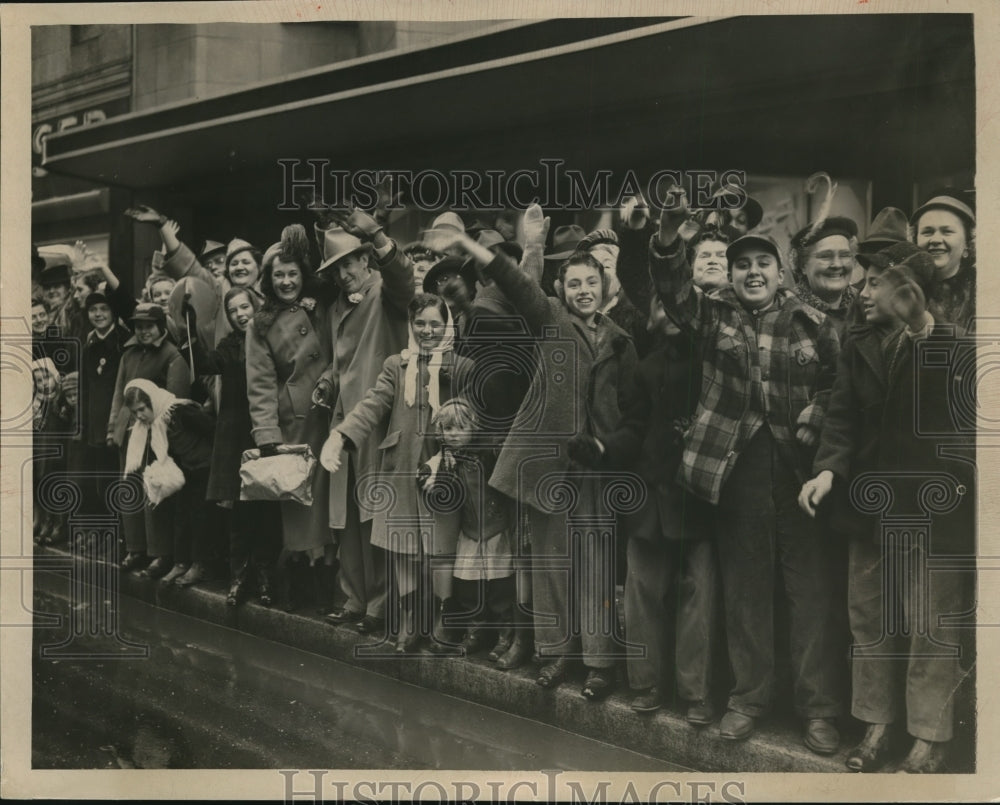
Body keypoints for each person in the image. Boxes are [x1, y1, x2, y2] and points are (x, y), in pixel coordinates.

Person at [649, 187, 844, 754]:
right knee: (746, 592)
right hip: (738, 473)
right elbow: (673, 290)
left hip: (800, 475)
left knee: (809, 595)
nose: (752, 272)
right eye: (742, 264)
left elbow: (841, 385)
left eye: (763, 264)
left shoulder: (813, 321)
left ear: (783, 273)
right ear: (730, 274)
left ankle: (819, 711)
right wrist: (666, 239)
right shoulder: (713, 317)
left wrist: (819, 408)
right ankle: (747, 701)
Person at [426, 207, 640, 700]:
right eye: (574, 284)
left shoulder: (623, 340)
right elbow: (517, 284)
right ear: (562, 291)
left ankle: (599, 662)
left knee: (595, 569)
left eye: (593, 282)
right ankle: (555, 652)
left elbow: (630, 409)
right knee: (550, 565)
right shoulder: (551, 321)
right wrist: (489, 249)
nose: (584, 290)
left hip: (598, 470)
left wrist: (609, 448)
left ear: (607, 287)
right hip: (548, 467)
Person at [799, 241, 975, 773]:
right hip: (870, 508)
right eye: (865, 280)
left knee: (930, 626)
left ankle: (929, 737)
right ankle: (877, 724)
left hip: (934, 508)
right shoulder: (860, 343)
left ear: (909, 292)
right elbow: (844, 416)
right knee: (869, 618)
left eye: (875, 282)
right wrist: (828, 471)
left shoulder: (951, 342)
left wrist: (922, 322)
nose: (862, 290)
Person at [321, 294, 473, 653]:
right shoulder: (396, 365)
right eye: (420, 323)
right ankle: (409, 619)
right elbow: (373, 404)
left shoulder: (460, 366)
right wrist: (340, 436)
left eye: (435, 323)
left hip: (441, 466)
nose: (427, 330)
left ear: (447, 325)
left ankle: (441, 618)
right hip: (400, 465)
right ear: (411, 326)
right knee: (403, 548)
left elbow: (470, 415)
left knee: (440, 548)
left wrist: (451, 454)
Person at [312, 207, 415, 636]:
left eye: (347, 264)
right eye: (335, 270)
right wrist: (326, 381)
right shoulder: (338, 306)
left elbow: (405, 280)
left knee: (375, 517)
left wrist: (377, 235)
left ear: (365, 259)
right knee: (347, 518)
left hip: (378, 420)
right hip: (344, 421)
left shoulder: (384, 292)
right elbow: (342, 364)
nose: (341, 275)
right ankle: (354, 598)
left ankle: (380, 605)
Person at [246, 224, 337, 609]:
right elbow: (260, 381)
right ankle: (304, 585)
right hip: (295, 426)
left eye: (293, 274)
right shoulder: (260, 324)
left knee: (331, 504)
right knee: (300, 508)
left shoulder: (321, 307)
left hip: (332, 416)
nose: (287, 282)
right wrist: (267, 435)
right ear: (268, 280)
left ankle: (332, 581)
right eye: (279, 275)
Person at [185, 287, 282, 607]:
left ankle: (266, 577)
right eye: (234, 311)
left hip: (267, 430)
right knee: (240, 511)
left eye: (245, 307)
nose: (241, 314)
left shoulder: (270, 337)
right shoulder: (229, 347)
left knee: (267, 510)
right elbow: (206, 363)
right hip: (237, 435)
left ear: (256, 306)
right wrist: (189, 329)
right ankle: (239, 577)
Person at [419, 398, 516, 659]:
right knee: (470, 585)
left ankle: (505, 633)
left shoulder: (486, 451)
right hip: (471, 530)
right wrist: (427, 476)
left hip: (495, 527)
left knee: (500, 583)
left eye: (460, 428)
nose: (453, 435)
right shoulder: (446, 457)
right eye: (448, 429)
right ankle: (477, 629)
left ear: (474, 427)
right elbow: (428, 469)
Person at [107, 303, 191, 573]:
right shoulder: (129, 355)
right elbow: (119, 391)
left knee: (153, 489)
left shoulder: (172, 356)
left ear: (161, 328)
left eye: (149, 326)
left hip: (155, 433)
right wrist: (113, 428)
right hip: (129, 431)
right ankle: (135, 549)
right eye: (138, 327)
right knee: (130, 489)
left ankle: (160, 553)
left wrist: (161, 428)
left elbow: (174, 400)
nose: (143, 332)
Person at [122, 379, 217, 586]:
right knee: (181, 515)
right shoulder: (155, 422)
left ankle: (199, 565)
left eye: (142, 409)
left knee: (200, 517)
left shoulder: (179, 411)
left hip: (204, 467)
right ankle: (181, 563)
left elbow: (212, 429)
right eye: (135, 412)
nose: (139, 416)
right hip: (187, 470)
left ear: (152, 402)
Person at [78, 290, 134, 519]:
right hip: (94, 422)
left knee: (117, 477)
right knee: (98, 477)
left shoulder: (123, 342)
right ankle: (102, 530)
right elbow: (85, 387)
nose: (98, 314)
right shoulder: (88, 343)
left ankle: (122, 534)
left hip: (118, 419)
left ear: (113, 312)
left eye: (104, 309)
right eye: (93, 310)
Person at [910, 193, 976, 333]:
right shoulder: (907, 287)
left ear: (967, 244)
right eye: (927, 232)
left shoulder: (981, 292)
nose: (935, 240)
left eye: (947, 231)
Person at [789, 217, 860, 340]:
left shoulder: (865, 305)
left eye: (844, 255)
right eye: (825, 256)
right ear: (802, 265)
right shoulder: (787, 310)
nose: (837, 265)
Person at [32, 357, 72, 545]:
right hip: (43, 451)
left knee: (57, 485)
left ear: (56, 377)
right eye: (39, 381)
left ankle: (60, 524)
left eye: (47, 378)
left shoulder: (61, 400)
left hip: (59, 451)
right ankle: (47, 522)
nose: (44, 384)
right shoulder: (37, 404)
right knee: (43, 484)